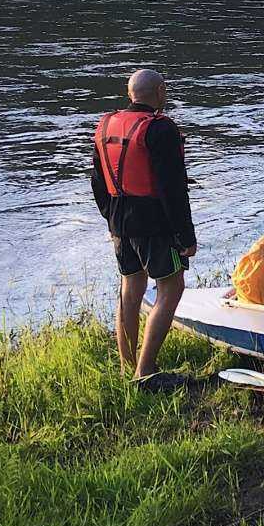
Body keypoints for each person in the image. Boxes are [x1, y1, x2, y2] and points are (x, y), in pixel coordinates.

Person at [91, 69, 197, 391]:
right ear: (161, 91)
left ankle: (127, 366)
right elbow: (172, 189)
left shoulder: (106, 125)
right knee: (172, 288)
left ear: (129, 94)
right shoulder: (161, 129)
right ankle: (145, 372)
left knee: (130, 289)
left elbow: (97, 182)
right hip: (154, 224)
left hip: (120, 223)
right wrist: (185, 237)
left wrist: (111, 220)